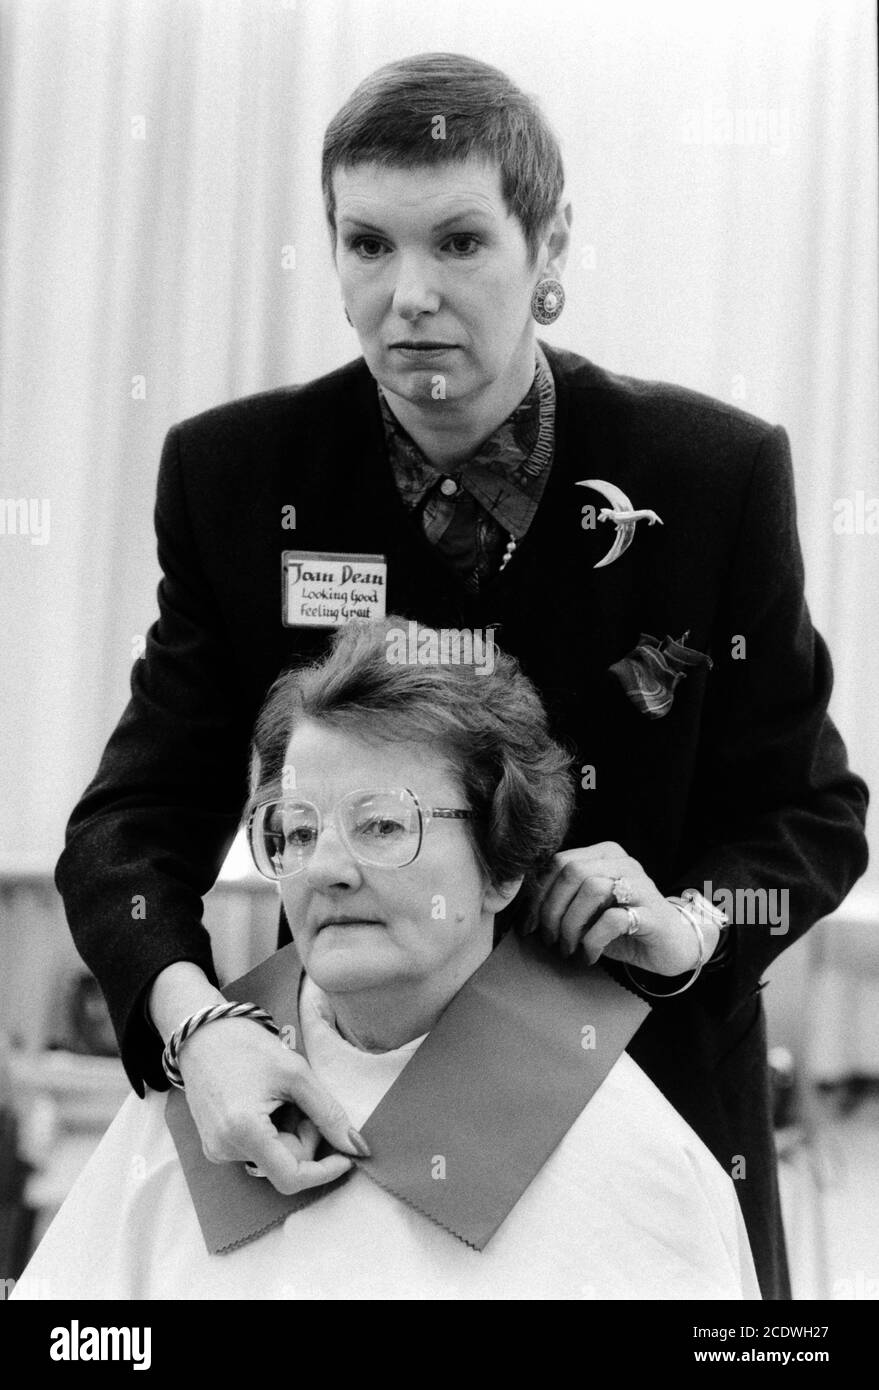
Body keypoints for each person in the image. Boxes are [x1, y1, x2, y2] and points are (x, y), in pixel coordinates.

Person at [53, 52, 868, 1301]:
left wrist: (691, 921)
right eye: (368, 245)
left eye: (461, 242)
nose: (410, 295)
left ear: (550, 249)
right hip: (342, 1101)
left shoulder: (709, 478)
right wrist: (193, 1029)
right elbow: (131, 824)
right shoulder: (237, 477)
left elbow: (810, 812)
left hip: (643, 1092)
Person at [15, 620, 760, 1299]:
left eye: (380, 824)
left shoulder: (636, 1166)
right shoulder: (207, 1107)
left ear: (502, 869)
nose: (324, 870)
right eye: (298, 831)